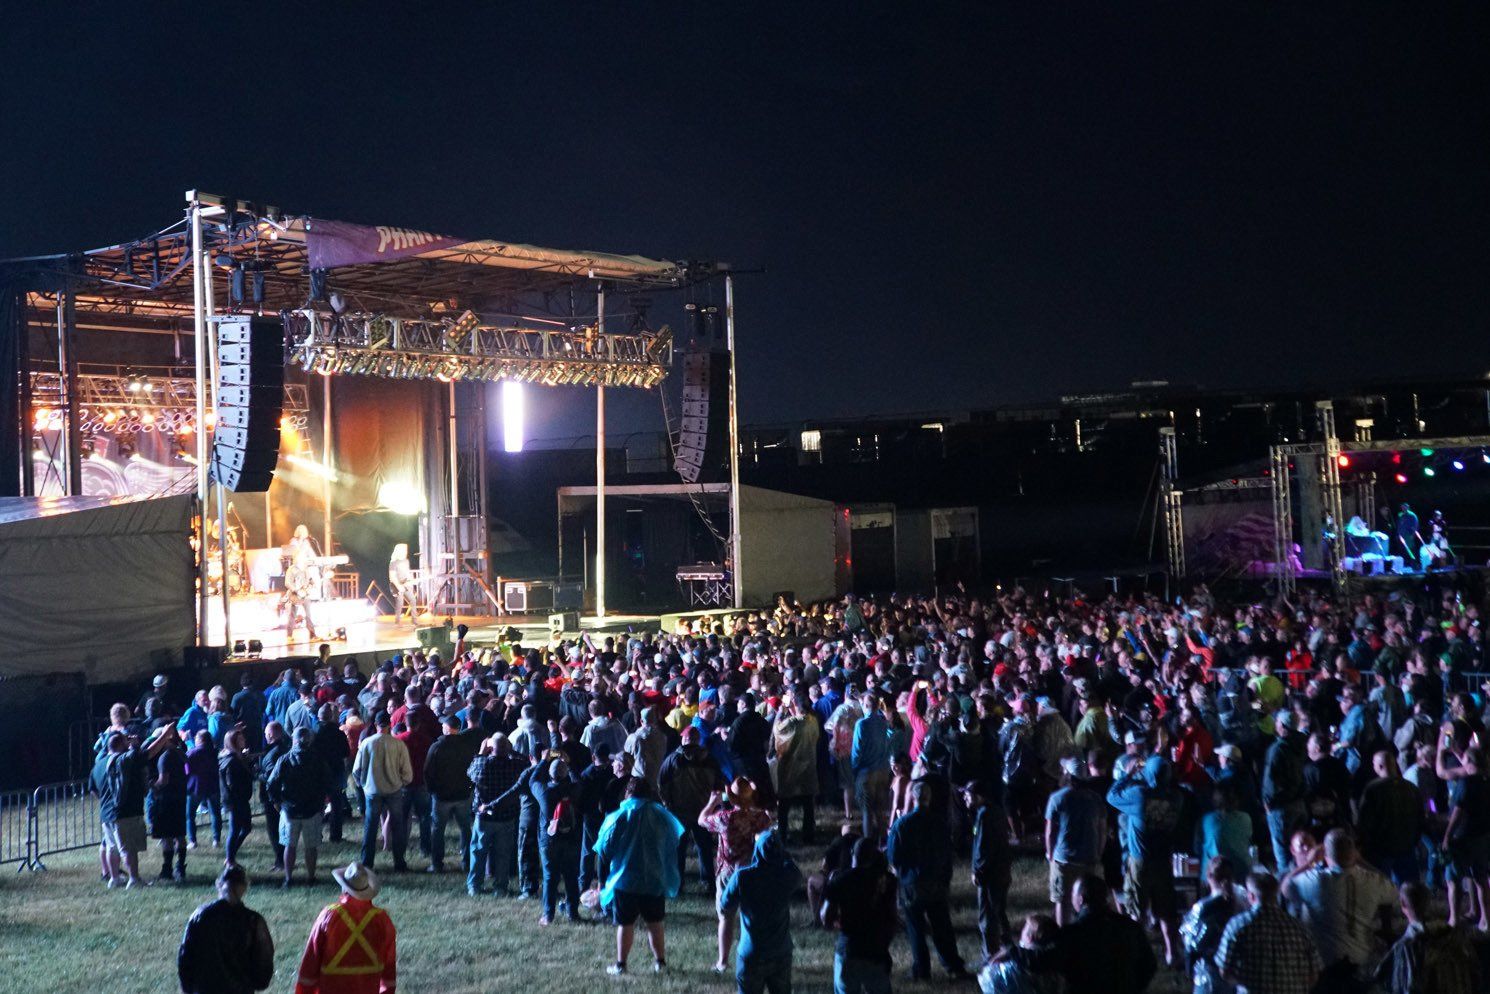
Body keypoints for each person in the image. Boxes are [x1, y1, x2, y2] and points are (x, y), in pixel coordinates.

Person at [593, 777, 687, 975]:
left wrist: (603, 878)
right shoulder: (661, 816)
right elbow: (673, 842)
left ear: (628, 792)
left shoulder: (619, 816)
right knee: (655, 922)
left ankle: (621, 965)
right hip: (654, 878)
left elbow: (604, 848)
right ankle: (660, 962)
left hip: (624, 880)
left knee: (625, 923)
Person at [1106, 754, 1184, 967]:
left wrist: (1129, 775)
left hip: (1140, 860)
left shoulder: (1139, 795)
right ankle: (1172, 953)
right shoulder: (1176, 798)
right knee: (1167, 911)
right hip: (1163, 860)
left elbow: (1112, 796)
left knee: (1136, 909)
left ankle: (1136, 953)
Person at [887, 778, 969, 981]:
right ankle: (953, 966)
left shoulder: (902, 825)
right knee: (942, 926)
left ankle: (922, 970)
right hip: (936, 882)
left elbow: (893, 857)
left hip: (912, 884)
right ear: (929, 798)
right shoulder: (940, 823)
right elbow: (948, 853)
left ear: (913, 798)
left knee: (916, 929)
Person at [701, 777, 777, 973]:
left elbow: (702, 820)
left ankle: (723, 962)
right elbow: (770, 820)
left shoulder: (724, 818)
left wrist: (712, 803)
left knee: (726, 917)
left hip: (727, 871)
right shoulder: (757, 818)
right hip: (750, 870)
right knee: (750, 916)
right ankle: (753, 957)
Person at [720, 828, 804, 994]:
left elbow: (725, 905)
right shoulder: (787, 876)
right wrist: (779, 849)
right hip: (781, 951)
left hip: (751, 952)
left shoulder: (743, 877)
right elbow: (793, 868)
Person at [294, 861, 397, 994]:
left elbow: (311, 958)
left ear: (344, 888)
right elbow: (389, 967)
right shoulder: (382, 919)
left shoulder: (329, 915)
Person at [1216, 871, 1322, 994]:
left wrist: (1243, 984)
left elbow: (1224, 970)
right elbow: (1314, 973)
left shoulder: (1237, 925)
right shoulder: (1299, 928)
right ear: (1276, 894)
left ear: (1251, 896)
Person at [177, 864, 276, 994]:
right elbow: (264, 960)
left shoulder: (200, 916)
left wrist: (188, 988)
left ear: (218, 884)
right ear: (244, 887)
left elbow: (185, 956)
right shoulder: (253, 921)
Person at [1374, 881, 1481, 994]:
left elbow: (1395, 983)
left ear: (1402, 904)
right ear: (1428, 902)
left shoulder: (1405, 947)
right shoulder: (1454, 936)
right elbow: (1475, 971)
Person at [1056, 875, 1157, 994]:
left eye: (1073, 893)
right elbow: (1149, 964)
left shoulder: (1072, 933)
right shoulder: (1130, 927)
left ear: (1081, 899)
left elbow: (1057, 966)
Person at [822, 837, 898, 994]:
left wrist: (838, 922)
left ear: (852, 854)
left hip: (849, 950)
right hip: (876, 952)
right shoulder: (887, 881)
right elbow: (892, 917)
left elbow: (825, 917)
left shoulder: (841, 880)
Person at [658, 725, 724, 892]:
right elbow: (718, 784)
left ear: (684, 739)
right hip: (703, 810)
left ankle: (678, 883)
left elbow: (661, 782)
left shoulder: (674, 759)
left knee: (679, 848)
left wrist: (667, 802)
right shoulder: (710, 759)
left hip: (679, 810)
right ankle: (708, 881)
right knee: (704, 846)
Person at [1044, 755, 1107, 925]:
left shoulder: (1057, 798)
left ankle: (1064, 939)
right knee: (1087, 901)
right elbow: (1102, 830)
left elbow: (1050, 832)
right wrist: (1098, 852)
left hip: (1064, 859)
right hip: (1088, 858)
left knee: (1062, 901)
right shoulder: (1095, 799)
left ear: (1068, 775)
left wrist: (1050, 855)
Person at [268, 726, 332, 888]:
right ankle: (311, 877)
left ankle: (288, 878)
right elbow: (326, 782)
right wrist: (322, 802)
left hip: (289, 810)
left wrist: (276, 801)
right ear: (309, 740)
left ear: (294, 740)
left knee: (290, 846)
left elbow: (271, 782)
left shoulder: (285, 759)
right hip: (312, 810)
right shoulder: (318, 759)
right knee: (311, 847)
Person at [466, 731, 527, 896]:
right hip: (506, 816)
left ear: (491, 747)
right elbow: (526, 762)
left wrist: (481, 752)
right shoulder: (515, 765)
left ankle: (474, 886)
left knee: (478, 852)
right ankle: (500, 887)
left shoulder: (482, 764)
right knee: (503, 854)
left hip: (484, 815)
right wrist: (509, 750)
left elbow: (470, 773)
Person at [353, 710, 413, 872]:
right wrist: (402, 782)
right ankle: (399, 863)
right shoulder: (398, 744)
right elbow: (407, 771)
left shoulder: (366, 743)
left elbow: (356, 770)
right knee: (398, 826)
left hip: (372, 790)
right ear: (390, 724)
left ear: (375, 725)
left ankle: (367, 863)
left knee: (370, 826)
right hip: (394, 789)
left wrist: (363, 785)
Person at [423, 713, 481, 875]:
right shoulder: (467, 746)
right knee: (465, 828)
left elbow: (428, 771)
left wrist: (432, 789)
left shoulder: (437, 747)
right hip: (462, 795)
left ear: (447, 728)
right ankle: (467, 862)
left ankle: (437, 863)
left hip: (441, 796)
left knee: (438, 830)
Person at [1179, 856, 1245, 994]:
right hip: (1237, 969)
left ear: (1208, 876)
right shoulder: (1243, 899)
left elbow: (1191, 943)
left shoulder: (1203, 907)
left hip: (1209, 972)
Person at [531, 754, 582, 924]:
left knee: (549, 877)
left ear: (551, 775)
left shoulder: (545, 792)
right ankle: (572, 912)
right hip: (571, 838)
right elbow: (578, 779)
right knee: (571, 876)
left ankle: (548, 914)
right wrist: (569, 763)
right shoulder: (574, 790)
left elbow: (533, 780)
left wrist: (543, 761)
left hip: (549, 840)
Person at [966, 777, 1014, 958]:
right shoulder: (993, 812)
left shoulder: (985, 816)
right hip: (1001, 871)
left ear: (978, 796)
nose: (965, 799)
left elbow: (984, 848)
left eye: (968, 795)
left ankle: (991, 954)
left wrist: (978, 871)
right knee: (998, 911)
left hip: (990, 875)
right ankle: (1008, 948)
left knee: (988, 916)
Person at [771, 690, 820, 845]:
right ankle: (808, 836)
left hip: (791, 769)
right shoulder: (813, 720)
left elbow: (777, 730)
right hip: (809, 766)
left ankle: (783, 835)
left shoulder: (793, 723)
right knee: (808, 805)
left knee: (784, 806)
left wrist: (780, 713)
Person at [977, 914, 1066, 994]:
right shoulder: (1052, 963)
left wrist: (989, 965)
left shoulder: (1011, 966)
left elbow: (988, 981)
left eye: (1024, 929)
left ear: (1029, 937)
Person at [146, 724, 190, 883]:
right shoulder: (181, 754)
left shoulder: (164, 757)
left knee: (167, 837)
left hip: (166, 799)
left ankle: (167, 869)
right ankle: (181, 866)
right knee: (180, 834)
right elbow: (187, 771)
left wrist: (151, 785)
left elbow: (163, 780)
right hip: (180, 797)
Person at [851, 691, 892, 843]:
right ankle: (883, 839)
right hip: (882, 770)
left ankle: (867, 842)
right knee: (880, 810)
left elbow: (856, 751)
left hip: (866, 772)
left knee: (867, 811)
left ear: (866, 705)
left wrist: (855, 771)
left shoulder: (861, 724)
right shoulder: (883, 722)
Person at [218, 727, 256, 869]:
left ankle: (231, 856)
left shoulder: (237, 757)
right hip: (236, 800)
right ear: (233, 742)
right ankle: (230, 859)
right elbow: (233, 782)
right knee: (235, 830)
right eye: (240, 739)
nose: (244, 740)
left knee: (245, 828)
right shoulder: (230, 761)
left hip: (241, 799)